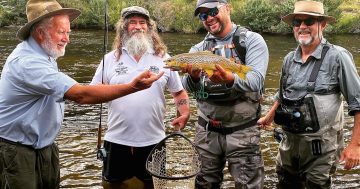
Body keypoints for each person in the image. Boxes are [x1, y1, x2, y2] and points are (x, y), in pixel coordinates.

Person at [0, 1, 165, 189]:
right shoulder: (27, 62)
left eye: (68, 32)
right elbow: (80, 95)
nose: (67, 39)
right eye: (62, 32)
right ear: (40, 32)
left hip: (42, 147)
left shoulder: (45, 54)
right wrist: (132, 87)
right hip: (17, 150)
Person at [257, 0, 360, 188]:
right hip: (288, 146)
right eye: (297, 22)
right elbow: (282, 95)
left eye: (309, 21)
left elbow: (358, 103)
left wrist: (355, 146)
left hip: (321, 150)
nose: (302, 27)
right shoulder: (289, 59)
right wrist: (269, 116)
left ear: (323, 24)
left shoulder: (338, 57)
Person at [89, 6, 190, 189]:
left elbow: (179, 92)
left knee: (153, 185)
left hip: (154, 140)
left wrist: (184, 111)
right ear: (123, 28)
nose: (138, 27)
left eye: (142, 22)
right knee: (114, 185)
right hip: (116, 140)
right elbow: (92, 92)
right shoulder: (110, 59)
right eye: (132, 23)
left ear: (149, 27)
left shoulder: (164, 58)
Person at [181, 0, 269, 188]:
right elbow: (189, 88)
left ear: (227, 8)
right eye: (204, 16)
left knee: (248, 185)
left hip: (243, 131)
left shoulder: (251, 40)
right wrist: (194, 78)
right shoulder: (197, 50)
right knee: (203, 184)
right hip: (206, 132)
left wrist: (230, 79)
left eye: (213, 11)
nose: (209, 18)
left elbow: (256, 81)